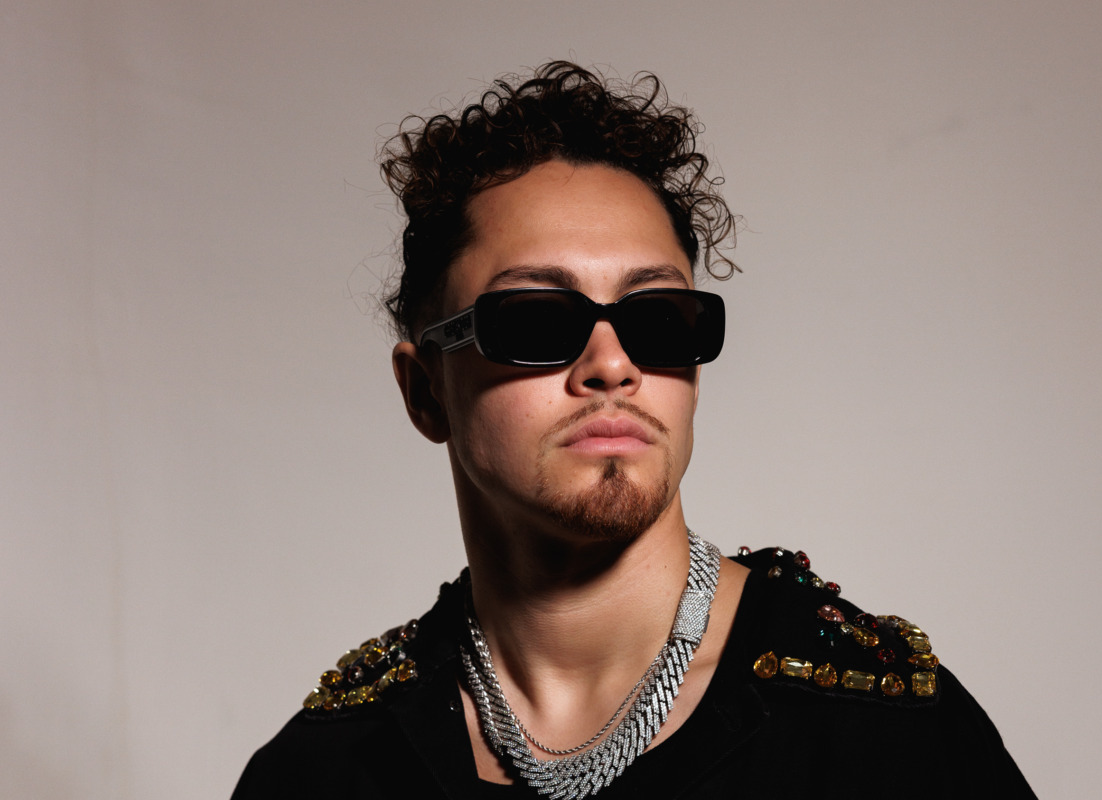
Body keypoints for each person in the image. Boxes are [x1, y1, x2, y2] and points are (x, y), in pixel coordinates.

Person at [232, 61, 1035, 798]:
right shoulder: (323, 770)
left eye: (657, 318)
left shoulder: (883, 734)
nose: (612, 365)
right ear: (425, 392)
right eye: (535, 320)